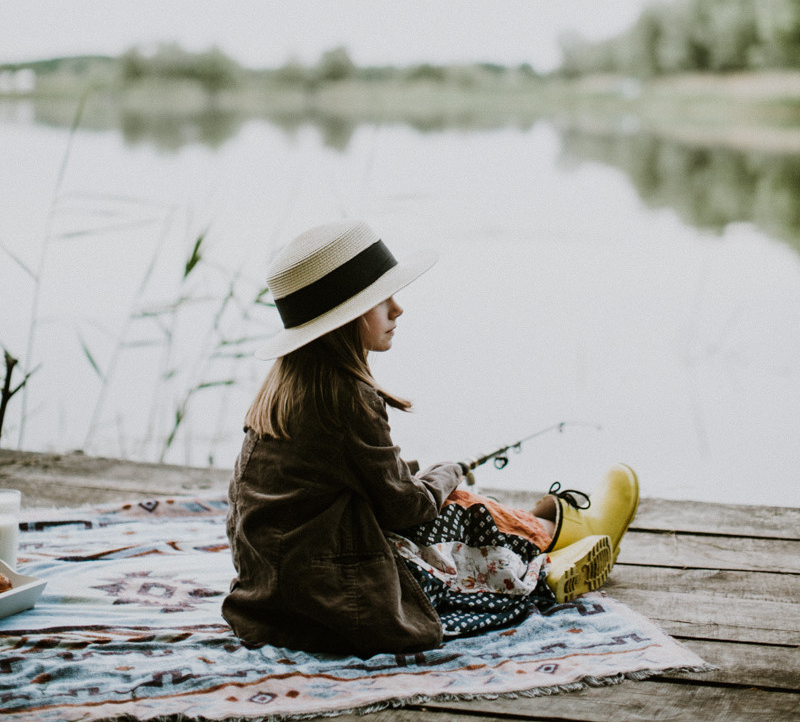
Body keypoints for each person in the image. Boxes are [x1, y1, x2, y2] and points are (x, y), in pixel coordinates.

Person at [223, 219, 639, 656]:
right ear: (344, 318)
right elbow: (408, 510)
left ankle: (550, 530)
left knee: (445, 498)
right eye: (382, 300)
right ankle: (547, 565)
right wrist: (449, 472)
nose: (397, 309)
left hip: (271, 598)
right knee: (457, 511)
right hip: (333, 602)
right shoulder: (347, 396)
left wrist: (425, 477)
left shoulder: (286, 387)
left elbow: (332, 484)